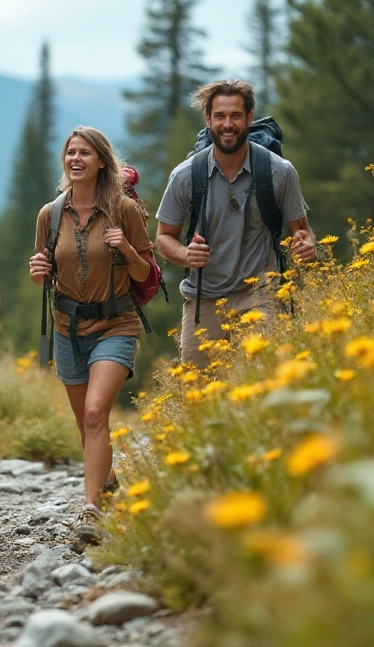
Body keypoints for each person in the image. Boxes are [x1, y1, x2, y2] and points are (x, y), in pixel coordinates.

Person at [28, 127, 154, 545]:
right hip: (68, 328)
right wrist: (38, 272)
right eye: (70, 152)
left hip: (116, 324)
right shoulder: (50, 213)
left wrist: (128, 250)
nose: (76, 159)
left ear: (101, 161)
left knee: (97, 413)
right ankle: (108, 479)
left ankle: (91, 511)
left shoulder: (124, 211)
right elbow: (43, 273)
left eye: (85, 153)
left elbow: (146, 274)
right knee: (87, 424)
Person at [154, 80, 317, 368]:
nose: (227, 124)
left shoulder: (280, 172)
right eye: (220, 116)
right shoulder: (185, 176)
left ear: (249, 118)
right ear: (208, 120)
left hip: (261, 294)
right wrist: (185, 255)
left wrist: (305, 244)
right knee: (201, 397)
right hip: (203, 298)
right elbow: (164, 237)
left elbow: (300, 229)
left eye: (235, 116)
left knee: (259, 381)